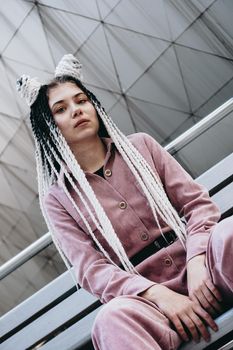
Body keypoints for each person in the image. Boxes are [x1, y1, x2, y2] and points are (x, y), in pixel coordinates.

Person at [17, 54, 233, 350]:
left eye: (81, 100)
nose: (77, 110)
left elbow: (197, 206)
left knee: (229, 233)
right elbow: (92, 271)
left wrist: (197, 261)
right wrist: (159, 295)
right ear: (48, 127)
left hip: (206, 272)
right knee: (111, 320)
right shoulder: (58, 199)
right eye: (61, 108)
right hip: (152, 308)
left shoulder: (141, 146)